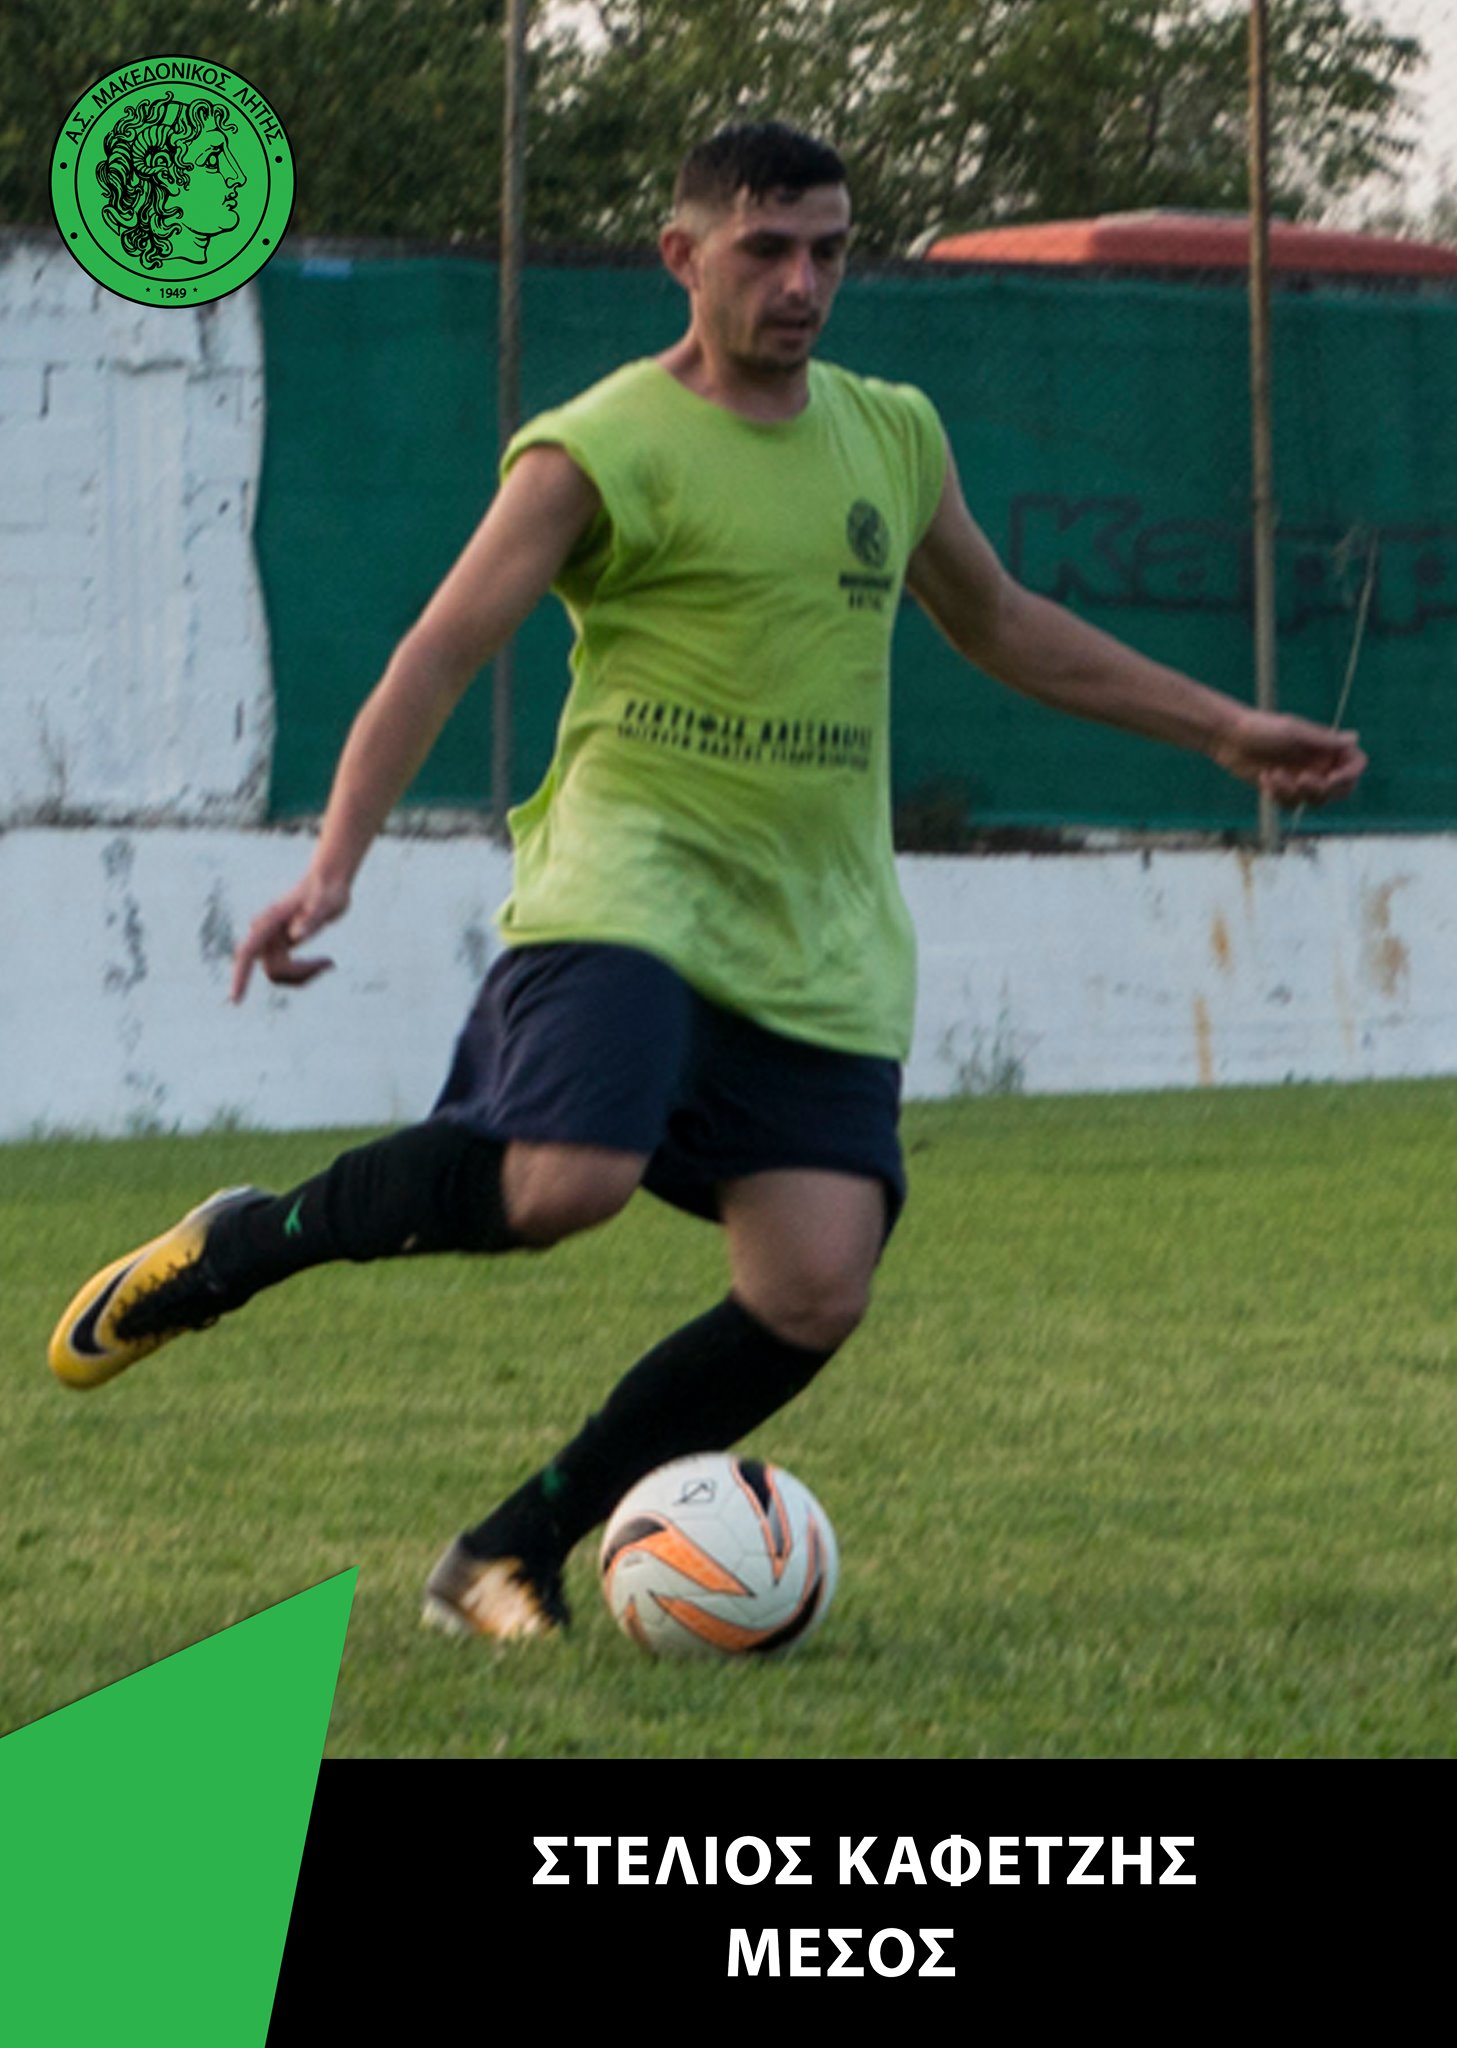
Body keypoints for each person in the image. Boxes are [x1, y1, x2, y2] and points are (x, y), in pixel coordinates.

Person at [48, 122, 1366, 1641]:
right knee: (566, 1183)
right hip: (630, 883)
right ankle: (239, 1247)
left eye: (829, 252)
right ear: (683, 255)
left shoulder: (892, 434)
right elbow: (440, 649)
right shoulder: (599, 443)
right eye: (766, 251)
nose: (802, 284)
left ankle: (506, 1554)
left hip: (817, 922)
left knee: (813, 1290)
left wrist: (1224, 730)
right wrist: (332, 863)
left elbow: (1000, 621)